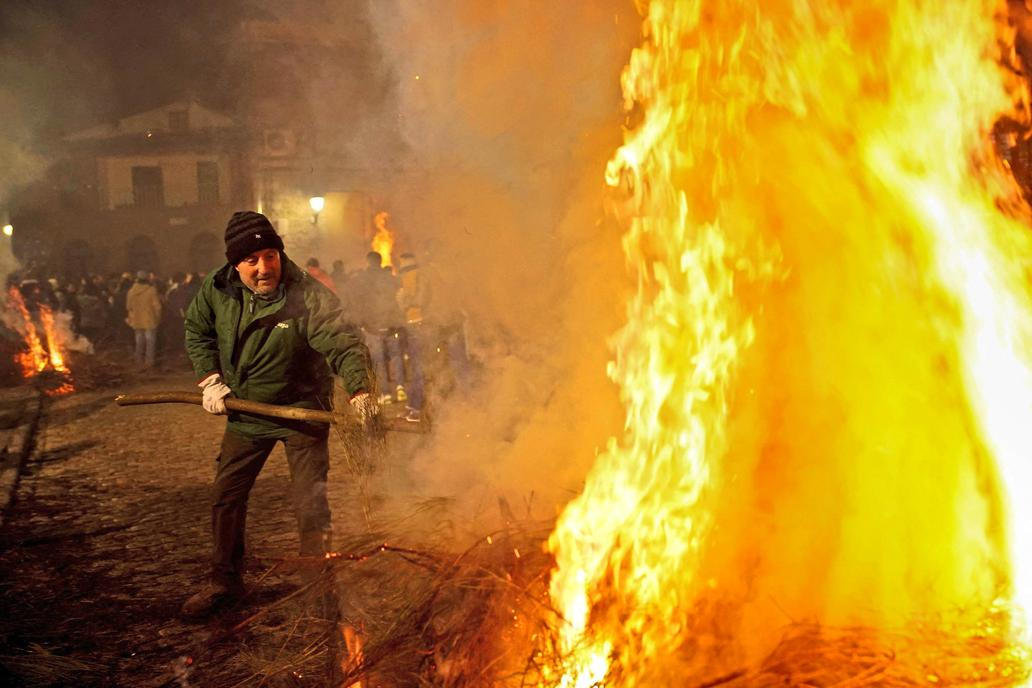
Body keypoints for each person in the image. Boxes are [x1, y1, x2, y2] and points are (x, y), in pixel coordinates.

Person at [181, 211, 377, 618]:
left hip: (303, 412)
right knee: (226, 497)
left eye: (270, 255)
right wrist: (210, 378)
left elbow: (343, 342)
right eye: (252, 261)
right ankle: (224, 581)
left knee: (311, 504)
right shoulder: (217, 290)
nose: (263, 268)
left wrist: (360, 390)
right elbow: (197, 330)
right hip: (246, 412)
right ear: (236, 265)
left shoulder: (306, 294)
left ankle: (318, 587)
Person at [346, 251, 405, 403]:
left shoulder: (361, 280)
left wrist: (360, 322)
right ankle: (400, 387)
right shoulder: (391, 278)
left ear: (368, 261)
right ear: (380, 262)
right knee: (396, 356)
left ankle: (385, 394)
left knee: (378, 360)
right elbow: (399, 299)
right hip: (392, 324)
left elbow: (356, 303)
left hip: (372, 327)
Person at [395, 252, 429, 422]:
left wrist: (404, 300)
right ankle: (412, 405)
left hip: (419, 325)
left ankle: (416, 408)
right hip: (414, 325)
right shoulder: (414, 274)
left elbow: (420, 300)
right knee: (415, 366)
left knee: (418, 368)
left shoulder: (416, 276)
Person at [126, 270, 161, 368]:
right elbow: (157, 307)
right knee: (150, 343)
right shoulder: (151, 290)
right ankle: (149, 363)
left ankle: (138, 361)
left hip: (136, 319)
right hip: (150, 319)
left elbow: (128, 307)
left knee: (139, 341)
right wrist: (158, 318)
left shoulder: (131, 291)